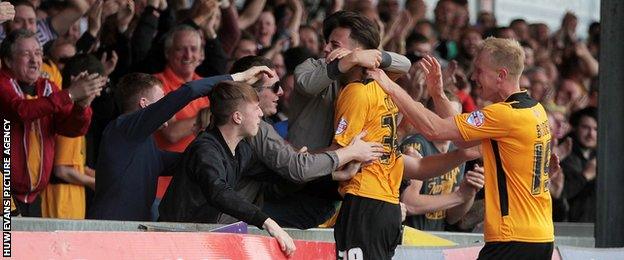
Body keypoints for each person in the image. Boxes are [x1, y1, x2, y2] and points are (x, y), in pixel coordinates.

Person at [368, 37, 558, 260]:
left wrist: (389, 85)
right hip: (540, 236)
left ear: (501, 75)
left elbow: (435, 130)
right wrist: (438, 95)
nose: (473, 77)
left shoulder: (505, 115)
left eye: (479, 70)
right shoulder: (534, 110)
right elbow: (464, 140)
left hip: (514, 239)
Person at [88, 66, 272, 221]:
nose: (168, 110)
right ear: (145, 104)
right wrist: (236, 78)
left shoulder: (146, 146)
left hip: (131, 236)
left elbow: (196, 160)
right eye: (162, 100)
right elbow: (188, 92)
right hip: (107, 232)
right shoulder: (123, 129)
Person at [158, 80, 296, 256]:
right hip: (173, 243)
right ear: (237, 117)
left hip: (197, 242)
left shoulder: (241, 150)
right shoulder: (205, 149)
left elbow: (274, 173)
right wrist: (267, 222)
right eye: (256, 108)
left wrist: (318, 171)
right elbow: (218, 192)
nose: (261, 114)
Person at [0, 29, 102, 216]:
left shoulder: (48, 87)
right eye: (26, 54)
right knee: (7, 245)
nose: (34, 59)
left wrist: (82, 105)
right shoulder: (2, 83)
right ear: (8, 61)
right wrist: (70, 94)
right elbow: (21, 110)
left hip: (34, 198)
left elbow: (71, 129)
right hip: (4, 195)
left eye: (38, 53)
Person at [561, 107, 597, 222]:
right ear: (575, 128)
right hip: (570, 226)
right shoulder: (563, 154)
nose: (591, 134)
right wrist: (585, 176)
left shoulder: (605, 154)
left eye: (596, 129)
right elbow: (561, 192)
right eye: (586, 127)